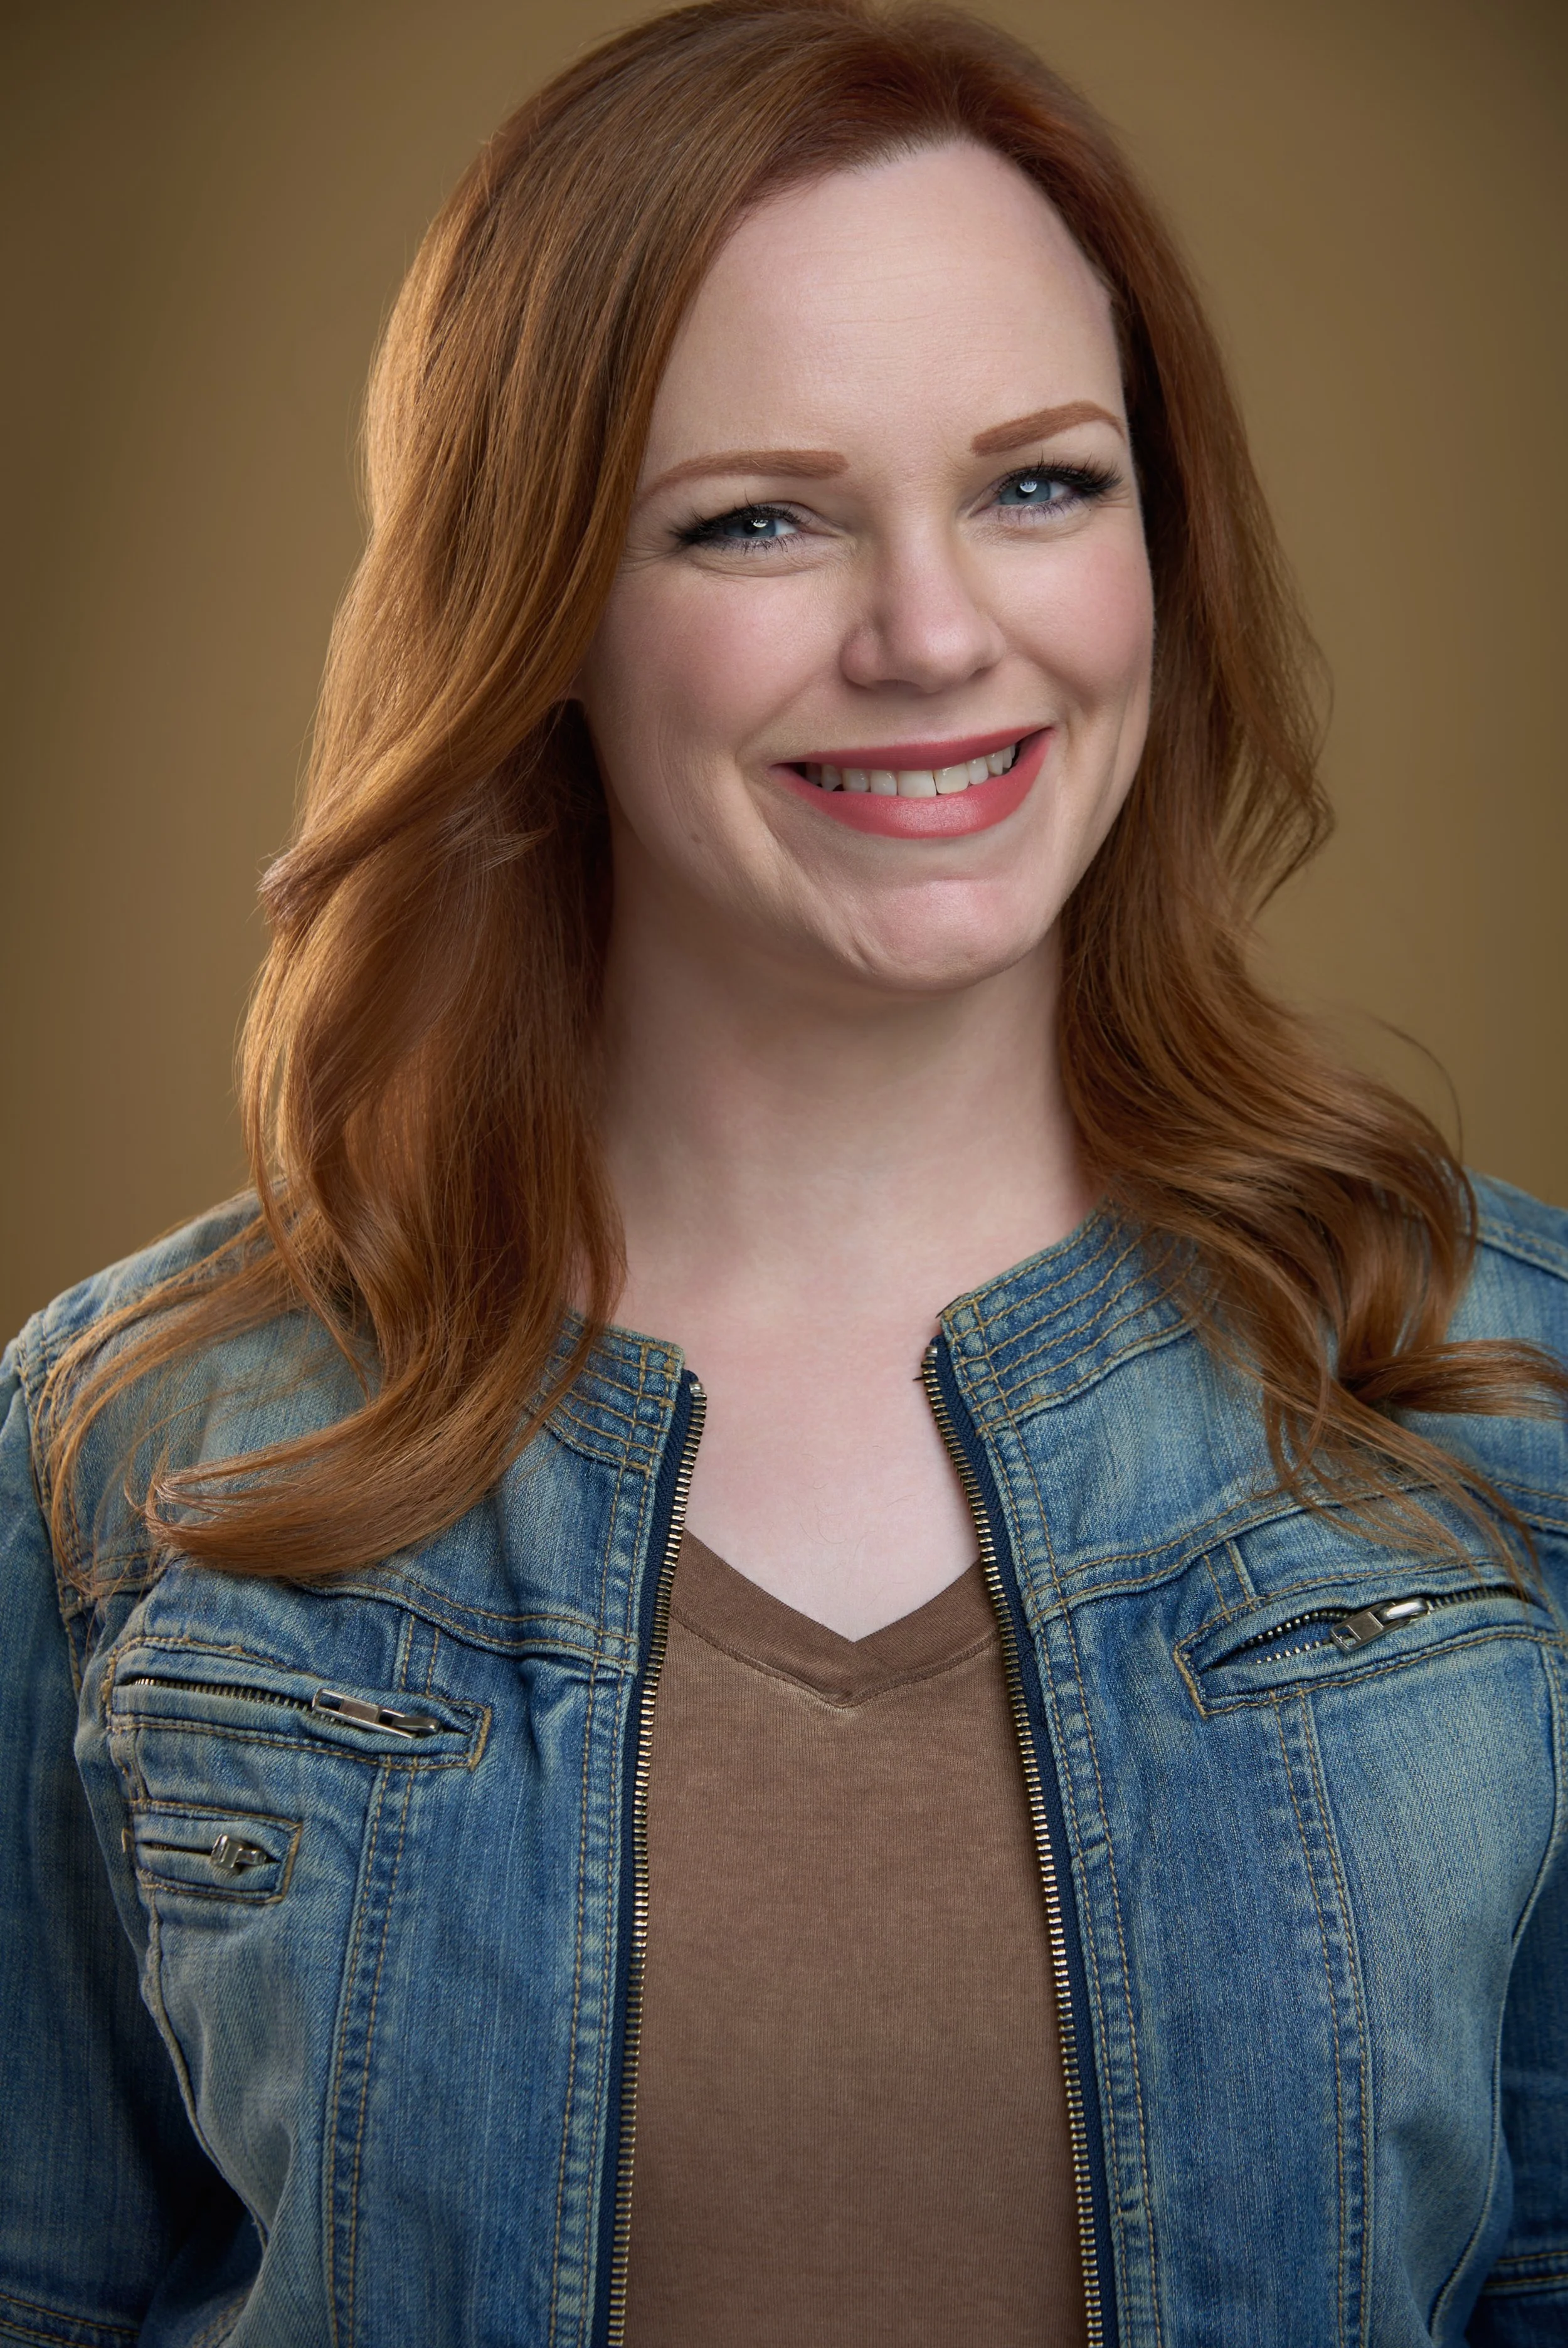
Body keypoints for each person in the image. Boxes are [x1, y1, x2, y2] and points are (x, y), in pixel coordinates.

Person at [3, 3, 1564, 2340]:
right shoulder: (138, 1453)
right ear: (535, 607)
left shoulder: (1499, 1393)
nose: (937, 636)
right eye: (756, 518)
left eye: (1041, 483)